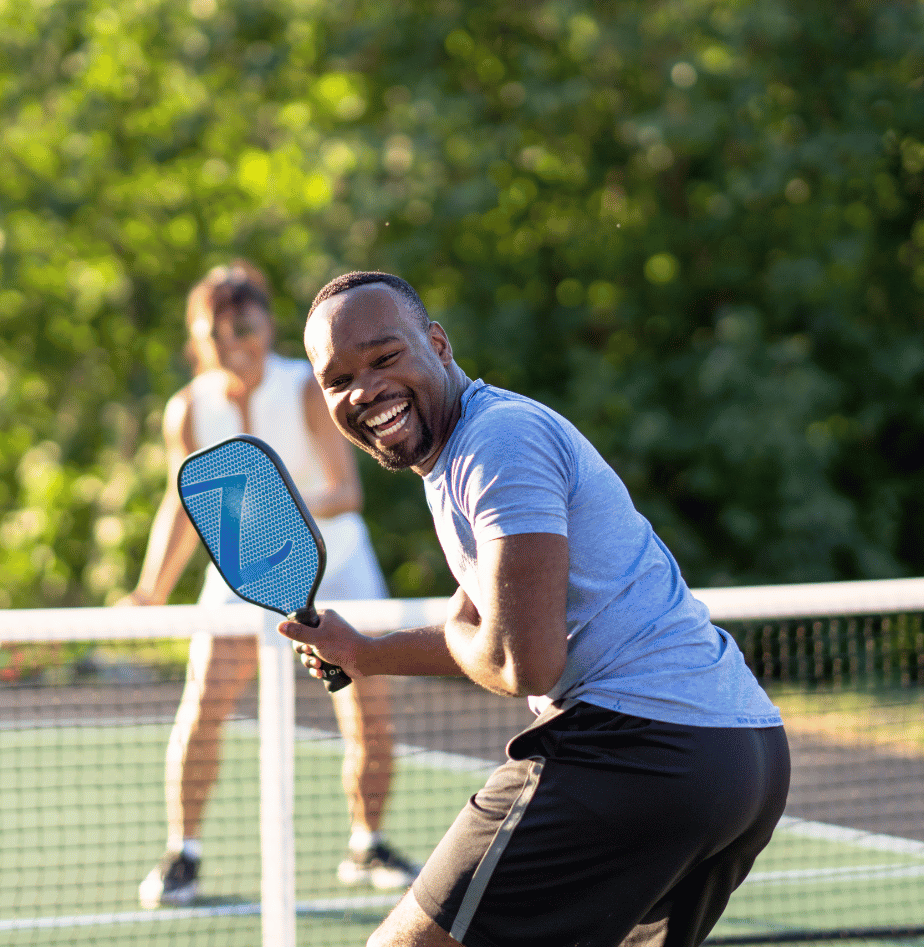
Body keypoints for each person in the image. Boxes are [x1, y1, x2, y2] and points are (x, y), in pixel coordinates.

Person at [282, 271, 790, 947]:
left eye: (384, 357)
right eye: (337, 379)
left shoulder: (498, 443)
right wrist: (365, 652)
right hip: (739, 755)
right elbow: (499, 626)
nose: (363, 390)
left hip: (641, 748)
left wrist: (468, 630)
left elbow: (523, 659)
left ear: (438, 343)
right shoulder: (465, 451)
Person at [123, 261, 419, 908]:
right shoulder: (187, 409)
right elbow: (181, 506)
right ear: (199, 338)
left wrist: (271, 512)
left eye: (244, 326)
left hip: (337, 567)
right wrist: (150, 590)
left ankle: (366, 843)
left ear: (266, 324)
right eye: (217, 331)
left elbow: (346, 491)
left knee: (368, 712)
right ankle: (184, 854)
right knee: (202, 706)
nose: (234, 341)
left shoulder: (306, 388)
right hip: (239, 579)